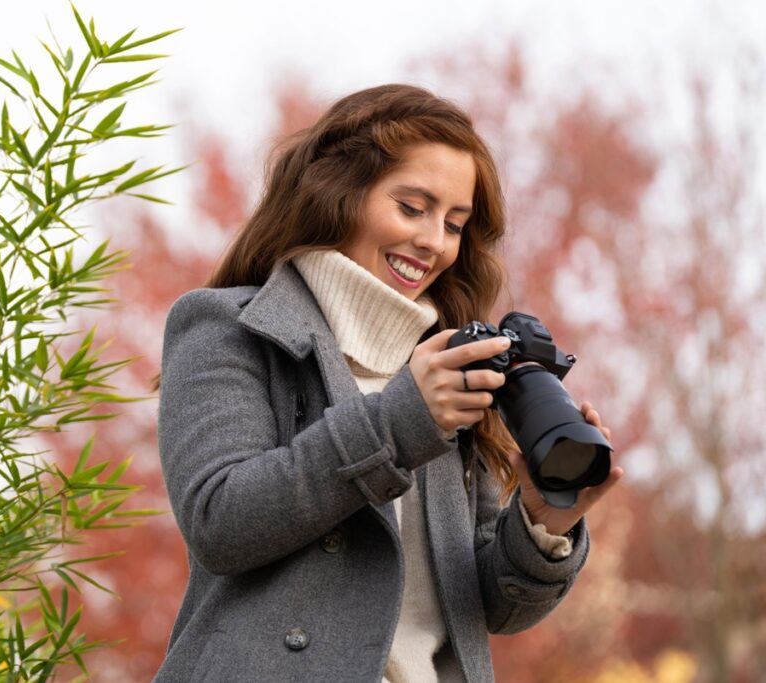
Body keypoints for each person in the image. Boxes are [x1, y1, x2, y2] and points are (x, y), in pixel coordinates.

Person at [153, 84, 623, 683]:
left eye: (455, 224)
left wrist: (540, 518)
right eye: (412, 207)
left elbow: (485, 608)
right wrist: (399, 422)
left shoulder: (448, 364)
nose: (434, 242)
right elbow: (220, 522)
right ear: (338, 195)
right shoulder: (228, 328)